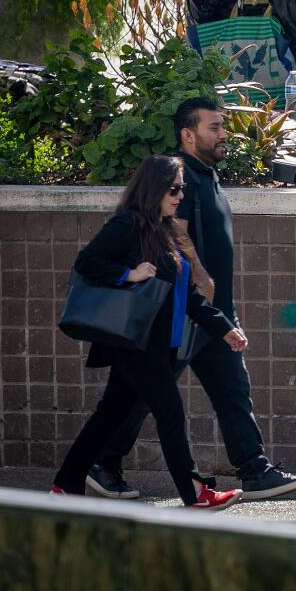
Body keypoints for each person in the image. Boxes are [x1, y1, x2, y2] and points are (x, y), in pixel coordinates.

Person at [85, 99, 296, 501]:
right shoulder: (180, 175)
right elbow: (174, 230)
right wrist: (203, 282)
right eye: (214, 127)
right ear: (188, 135)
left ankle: (254, 470)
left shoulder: (207, 175)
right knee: (143, 394)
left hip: (212, 309)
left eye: (222, 126)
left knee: (232, 388)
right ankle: (102, 463)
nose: (223, 133)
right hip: (186, 308)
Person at [52, 155, 245, 510]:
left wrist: (225, 329)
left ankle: (65, 485)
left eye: (182, 189)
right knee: (170, 413)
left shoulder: (164, 230)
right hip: (135, 344)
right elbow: (87, 261)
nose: (179, 196)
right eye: (173, 189)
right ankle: (196, 493)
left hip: (156, 346)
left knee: (108, 416)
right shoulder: (127, 225)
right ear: (153, 188)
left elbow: (186, 297)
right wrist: (129, 275)